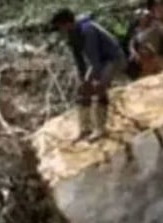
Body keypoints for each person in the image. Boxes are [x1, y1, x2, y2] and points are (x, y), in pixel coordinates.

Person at [51, 8, 126, 141]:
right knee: (83, 92)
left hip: (113, 58)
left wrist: (90, 80)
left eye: (60, 27)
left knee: (99, 87)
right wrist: (83, 81)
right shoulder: (72, 35)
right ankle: (85, 129)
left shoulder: (88, 30)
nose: (60, 31)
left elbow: (94, 62)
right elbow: (79, 61)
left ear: (67, 23)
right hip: (100, 61)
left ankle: (100, 129)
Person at [128, 0, 163, 78]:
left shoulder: (160, 24)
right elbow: (133, 40)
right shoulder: (146, 21)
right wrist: (134, 52)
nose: (162, 9)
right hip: (143, 56)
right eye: (158, 6)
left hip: (156, 57)